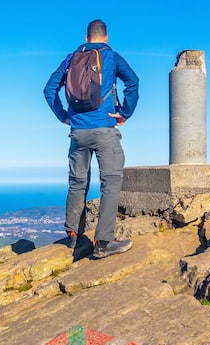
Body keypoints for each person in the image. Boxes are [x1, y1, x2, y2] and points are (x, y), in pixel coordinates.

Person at [43, 19, 139, 259]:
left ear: (86, 38)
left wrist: (63, 116)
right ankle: (103, 242)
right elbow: (133, 82)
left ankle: (74, 238)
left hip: (78, 132)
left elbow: (49, 89)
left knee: (77, 183)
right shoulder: (111, 56)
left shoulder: (70, 58)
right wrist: (124, 113)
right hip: (105, 129)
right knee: (111, 183)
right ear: (105, 37)